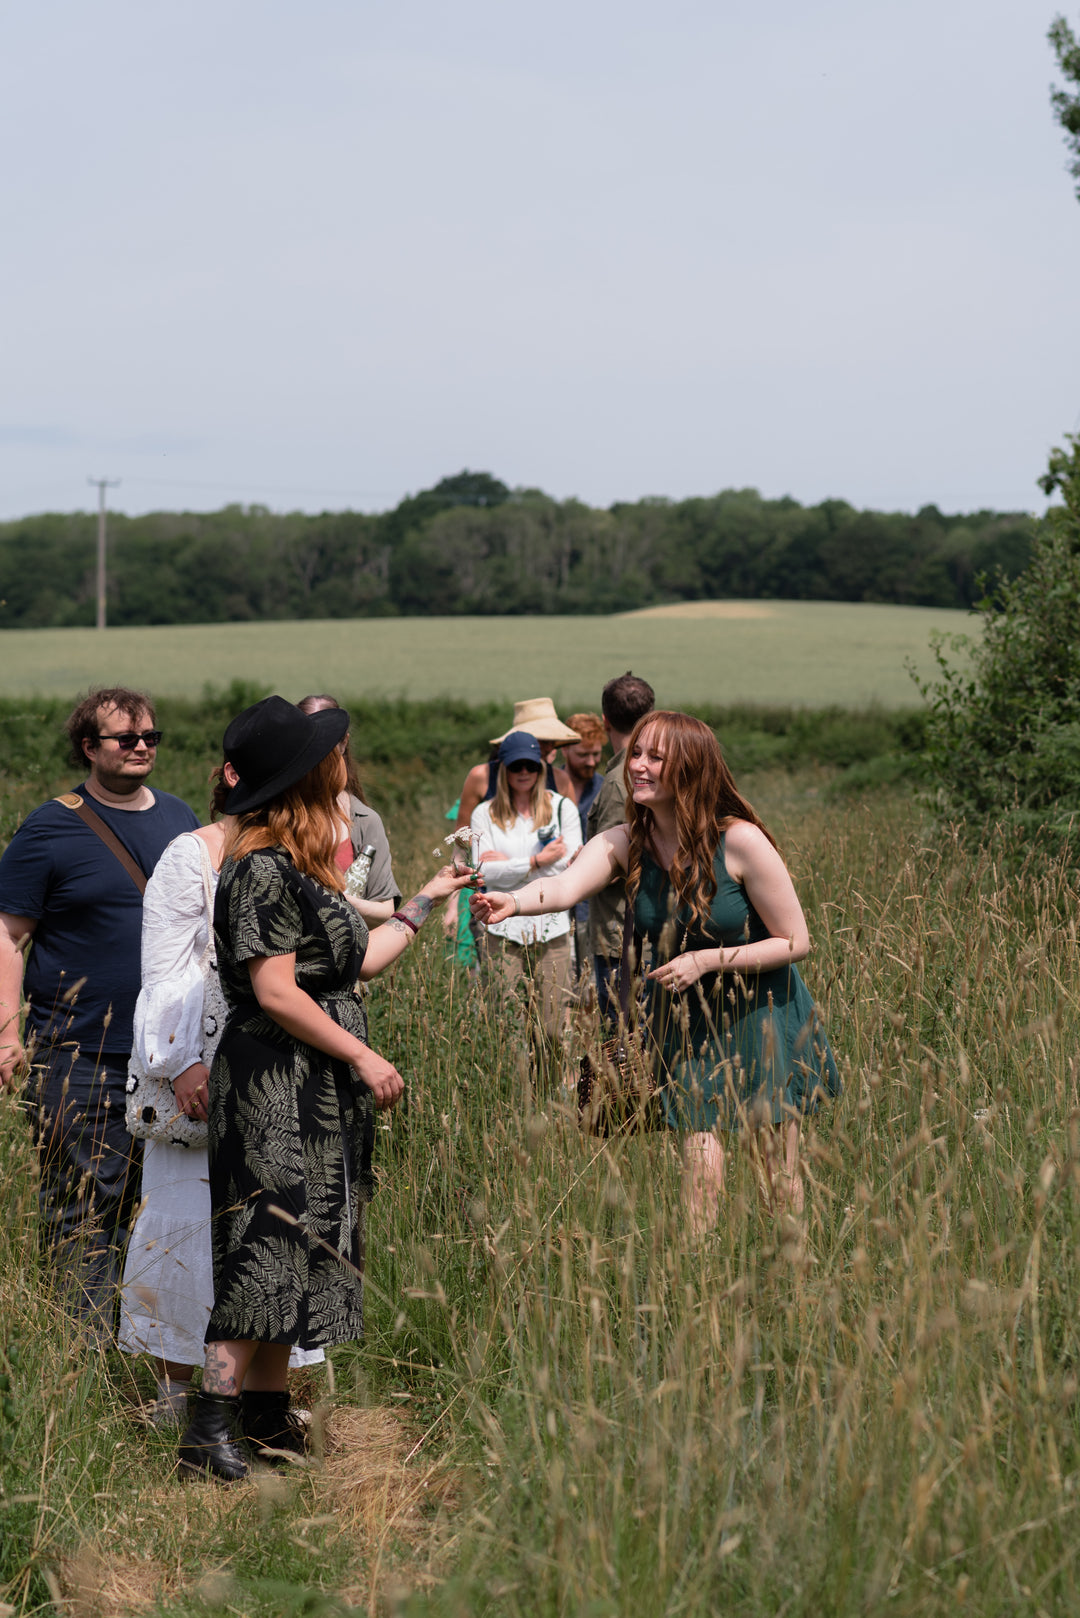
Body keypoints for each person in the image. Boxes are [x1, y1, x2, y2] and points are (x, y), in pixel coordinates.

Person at [178, 696, 474, 1481]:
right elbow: (276, 991)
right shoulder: (262, 870)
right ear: (305, 775)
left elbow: (359, 962)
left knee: (304, 1249)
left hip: (313, 1082)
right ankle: (207, 1431)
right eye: (328, 754)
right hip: (277, 1080)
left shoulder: (302, 867)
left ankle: (268, 1424)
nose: (343, 762)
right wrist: (368, 1059)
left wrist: (428, 900)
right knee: (262, 1249)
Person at [471, 711, 839, 1235]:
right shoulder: (629, 839)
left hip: (761, 1016)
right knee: (700, 1164)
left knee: (774, 1171)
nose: (637, 767)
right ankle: (700, 1289)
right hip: (686, 1023)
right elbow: (567, 887)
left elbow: (796, 942)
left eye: (654, 757)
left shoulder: (740, 842)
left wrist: (708, 960)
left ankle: (792, 1284)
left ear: (689, 768)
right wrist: (511, 901)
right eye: (636, 753)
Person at [118, 760, 324, 1425]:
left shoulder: (289, 853)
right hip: (200, 1068)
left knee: (269, 1228)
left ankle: (261, 1403)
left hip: (273, 1064)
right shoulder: (192, 855)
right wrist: (178, 1062)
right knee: (188, 1224)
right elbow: (166, 968)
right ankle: (181, 1398)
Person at [0, 687, 199, 1332]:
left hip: (168, 1056)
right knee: (85, 1210)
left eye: (151, 738)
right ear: (90, 748)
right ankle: (82, 1370)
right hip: (79, 1054)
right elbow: (7, 934)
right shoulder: (49, 827)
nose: (142, 747)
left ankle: (149, 1353)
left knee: (165, 1209)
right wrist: (7, 1034)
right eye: (125, 739)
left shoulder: (180, 818)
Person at [469, 732, 582, 1088]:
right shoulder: (482, 814)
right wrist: (536, 860)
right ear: (502, 769)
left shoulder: (563, 808)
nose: (523, 772)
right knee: (510, 1028)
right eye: (515, 765)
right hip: (501, 933)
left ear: (541, 768)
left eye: (530, 765)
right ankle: (518, 1109)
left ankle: (549, 1104)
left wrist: (510, 865)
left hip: (552, 929)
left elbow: (570, 870)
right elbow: (481, 872)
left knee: (551, 1029)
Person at [443, 698, 580, 950]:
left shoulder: (560, 782)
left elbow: (567, 856)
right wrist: (453, 904)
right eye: (541, 740)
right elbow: (462, 845)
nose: (548, 747)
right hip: (490, 897)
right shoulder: (481, 777)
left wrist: (509, 861)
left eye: (550, 742)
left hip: (547, 910)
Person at [587, 672, 655, 1024]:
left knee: (624, 1044)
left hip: (620, 936)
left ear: (604, 721)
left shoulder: (618, 782)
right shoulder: (652, 771)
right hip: (637, 934)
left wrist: (582, 863)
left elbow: (620, 861)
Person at [297, 695, 400, 924]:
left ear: (344, 742)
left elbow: (385, 910)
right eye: (308, 742)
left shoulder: (365, 820)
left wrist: (337, 901)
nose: (318, 754)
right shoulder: (279, 814)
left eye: (327, 743)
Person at [560, 713, 607, 980]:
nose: (591, 762)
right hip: (549, 901)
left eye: (596, 754)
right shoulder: (545, 788)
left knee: (589, 984)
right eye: (582, 754)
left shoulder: (605, 790)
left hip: (590, 903)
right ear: (564, 749)